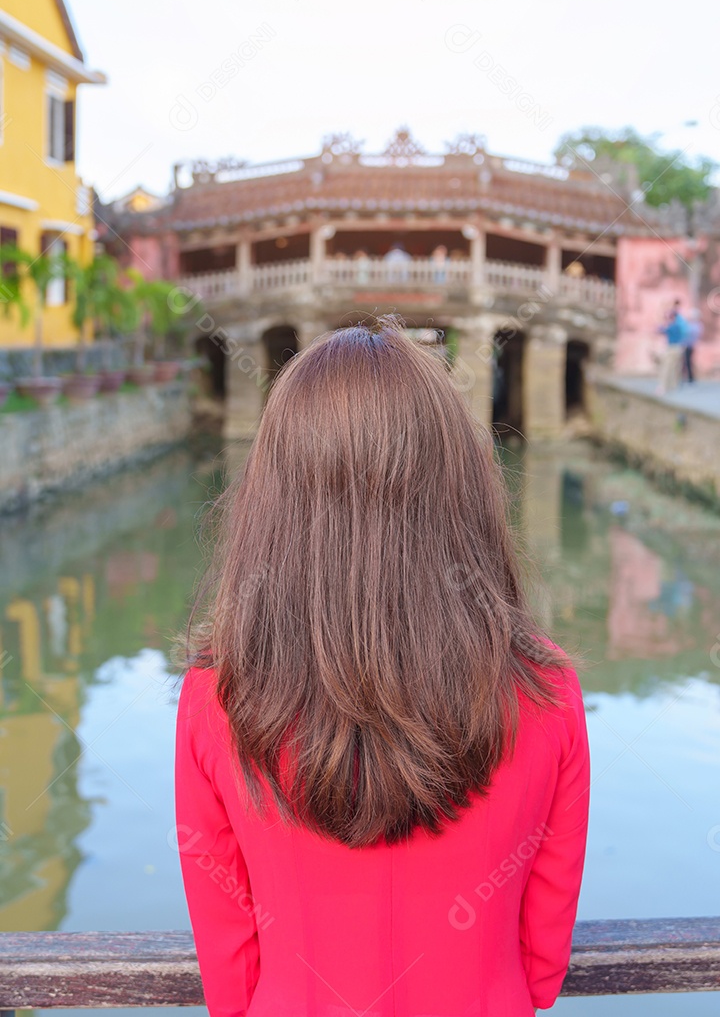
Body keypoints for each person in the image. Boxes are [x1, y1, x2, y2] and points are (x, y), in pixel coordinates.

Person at [175, 320, 590, 1017]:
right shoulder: (545, 691)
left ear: (272, 499)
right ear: (461, 483)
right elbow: (543, 957)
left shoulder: (219, 696)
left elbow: (229, 960)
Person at [657, 302, 688, 394]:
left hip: (672, 348)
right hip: (678, 348)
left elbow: (660, 330)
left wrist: (662, 322)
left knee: (667, 367)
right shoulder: (679, 325)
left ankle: (663, 386)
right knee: (675, 367)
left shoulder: (673, 326)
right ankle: (673, 385)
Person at [682, 307, 702, 383]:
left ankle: (690, 378)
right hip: (689, 345)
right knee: (686, 362)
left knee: (688, 362)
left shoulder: (696, 325)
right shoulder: (694, 325)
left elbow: (689, 334)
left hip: (690, 346)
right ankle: (687, 377)